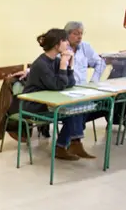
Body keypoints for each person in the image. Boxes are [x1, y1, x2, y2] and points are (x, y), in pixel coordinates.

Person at [23, 28, 95, 160]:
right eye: (64, 41)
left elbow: (70, 83)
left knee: (78, 109)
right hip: (35, 104)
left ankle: (72, 144)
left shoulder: (55, 61)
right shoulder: (41, 64)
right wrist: (63, 64)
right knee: (73, 111)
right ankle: (66, 146)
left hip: (50, 101)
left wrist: (70, 65)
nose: (67, 43)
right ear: (57, 44)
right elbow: (57, 86)